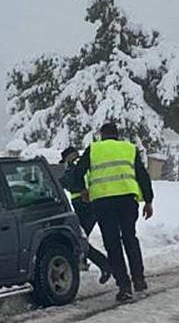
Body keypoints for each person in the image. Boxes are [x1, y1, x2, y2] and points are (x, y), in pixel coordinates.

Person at [76, 123, 154, 303]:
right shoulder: (129, 149)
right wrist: (148, 201)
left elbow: (77, 172)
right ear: (117, 135)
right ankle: (139, 279)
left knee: (112, 243)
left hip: (103, 202)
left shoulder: (93, 149)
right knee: (130, 238)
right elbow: (142, 176)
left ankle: (124, 286)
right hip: (127, 200)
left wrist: (83, 190)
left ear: (101, 135)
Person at [60, 146, 112, 285]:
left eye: (65, 160)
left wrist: (63, 182)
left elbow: (72, 181)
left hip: (84, 205)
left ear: (70, 156)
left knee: (79, 239)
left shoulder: (76, 164)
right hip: (89, 203)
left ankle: (105, 265)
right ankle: (85, 262)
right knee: (81, 238)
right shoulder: (85, 162)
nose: (65, 163)